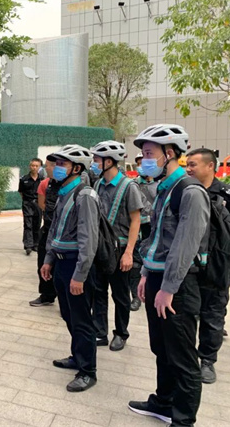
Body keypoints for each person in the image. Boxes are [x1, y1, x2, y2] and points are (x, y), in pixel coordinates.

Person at [128, 125, 210, 427]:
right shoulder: (165, 188)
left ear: (170, 153)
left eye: (149, 154)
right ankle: (163, 403)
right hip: (158, 281)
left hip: (177, 287)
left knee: (184, 358)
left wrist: (168, 288)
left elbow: (184, 246)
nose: (144, 159)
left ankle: (183, 419)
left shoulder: (189, 192)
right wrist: (146, 274)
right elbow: (159, 239)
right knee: (161, 348)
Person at [40, 145, 99, 392]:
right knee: (68, 315)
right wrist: (49, 258)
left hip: (76, 265)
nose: (56, 168)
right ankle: (77, 355)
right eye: (56, 163)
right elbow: (55, 229)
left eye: (62, 164)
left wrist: (80, 275)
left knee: (82, 320)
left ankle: (88, 371)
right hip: (61, 263)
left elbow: (89, 239)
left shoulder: (84, 195)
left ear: (76, 168)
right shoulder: (65, 191)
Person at [185, 148, 230, 384]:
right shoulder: (185, 192)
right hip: (189, 267)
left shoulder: (228, 195)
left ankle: (207, 360)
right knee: (186, 313)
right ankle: (186, 357)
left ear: (210, 166)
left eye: (193, 164)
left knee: (213, 315)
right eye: (188, 164)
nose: (189, 169)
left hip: (217, 266)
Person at [90, 141, 143, 351]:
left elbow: (136, 221)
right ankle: (99, 331)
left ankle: (121, 333)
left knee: (120, 295)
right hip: (100, 249)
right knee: (98, 291)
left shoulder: (129, 187)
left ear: (109, 161)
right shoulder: (97, 184)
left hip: (120, 250)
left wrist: (129, 253)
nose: (93, 163)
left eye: (97, 159)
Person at [29, 160, 60, 307]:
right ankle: (47, 295)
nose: (45, 168)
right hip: (47, 229)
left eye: (47, 165)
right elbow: (42, 204)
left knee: (61, 267)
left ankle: (65, 300)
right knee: (43, 262)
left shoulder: (68, 185)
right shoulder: (44, 184)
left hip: (63, 234)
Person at [130, 152, 158, 311]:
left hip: (155, 229)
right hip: (138, 228)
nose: (142, 166)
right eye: (139, 163)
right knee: (135, 262)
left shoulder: (161, 184)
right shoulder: (133, 184)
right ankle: (135, 296)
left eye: (146, 162)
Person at [18, 158, 43, 255]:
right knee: (28, 224)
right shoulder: (24, 179)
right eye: (33, 165)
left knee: (37, 224)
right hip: (27, 204)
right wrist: (26, 201)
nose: (34, 168)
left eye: (37, 166)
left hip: (38, 204)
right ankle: (28, 245)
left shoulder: (42, 179)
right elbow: (21, 192)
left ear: (39, 167)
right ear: (30, 166)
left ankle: (35, 244)